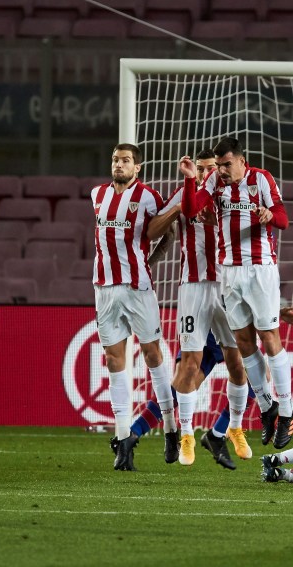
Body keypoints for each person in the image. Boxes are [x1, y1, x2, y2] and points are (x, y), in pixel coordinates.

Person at [179, 136, 293, 449]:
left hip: (260, 270)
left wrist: (271, 217)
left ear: (243, 162)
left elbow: (283, 217)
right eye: (219, 165)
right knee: (244, 342)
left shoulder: (262, 179)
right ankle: (268, 405)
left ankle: (286, 412)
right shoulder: (215, 181)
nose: (222, 170)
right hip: (228, 272)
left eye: (227, 164)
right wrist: (191, 180)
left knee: (269, 337)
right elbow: (190, 209)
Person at [147, 148, 252, 466]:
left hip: (227, 286)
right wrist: (179, 206)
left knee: (239, 363)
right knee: (189, 364)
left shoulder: (231, 194)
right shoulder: (185, 193)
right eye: (203, 168)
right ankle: (188, 435)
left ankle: (232, 429)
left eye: (213, 168)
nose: (209, 173)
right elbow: (154, 231)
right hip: (193, 288)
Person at [111, 310, 293, 470]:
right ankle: (216, 434)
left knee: (185, 384)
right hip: (221, 319)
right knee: (254, 375)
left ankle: (133, 433)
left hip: (211, 316)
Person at [92, 143, 178, 471]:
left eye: (126, 160)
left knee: (153, 354)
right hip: (104, 289)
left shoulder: (148, 197)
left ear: (137, 167)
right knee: (115, 360)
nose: (119, 164)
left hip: (138, 289)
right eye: (115, 159)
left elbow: (169, 234)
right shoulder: (96, 195)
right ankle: (123, 438)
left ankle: (170, 426)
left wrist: (149, 262)